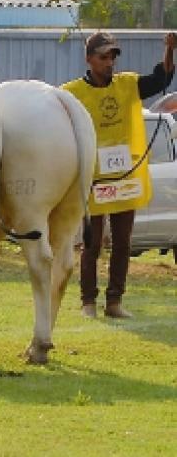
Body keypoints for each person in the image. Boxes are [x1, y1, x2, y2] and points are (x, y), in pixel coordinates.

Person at [62, 31, 176, 320]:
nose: (110, 62)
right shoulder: (72, 93)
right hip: (93, 179)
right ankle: (88, 302)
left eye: (113, 56)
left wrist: (170, 51)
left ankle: (114, 302)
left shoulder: (127, 85)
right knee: (92, 244)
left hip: (125, 178)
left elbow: (160, 79)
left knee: (123, 243)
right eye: (103, 57)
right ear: (89, 60)